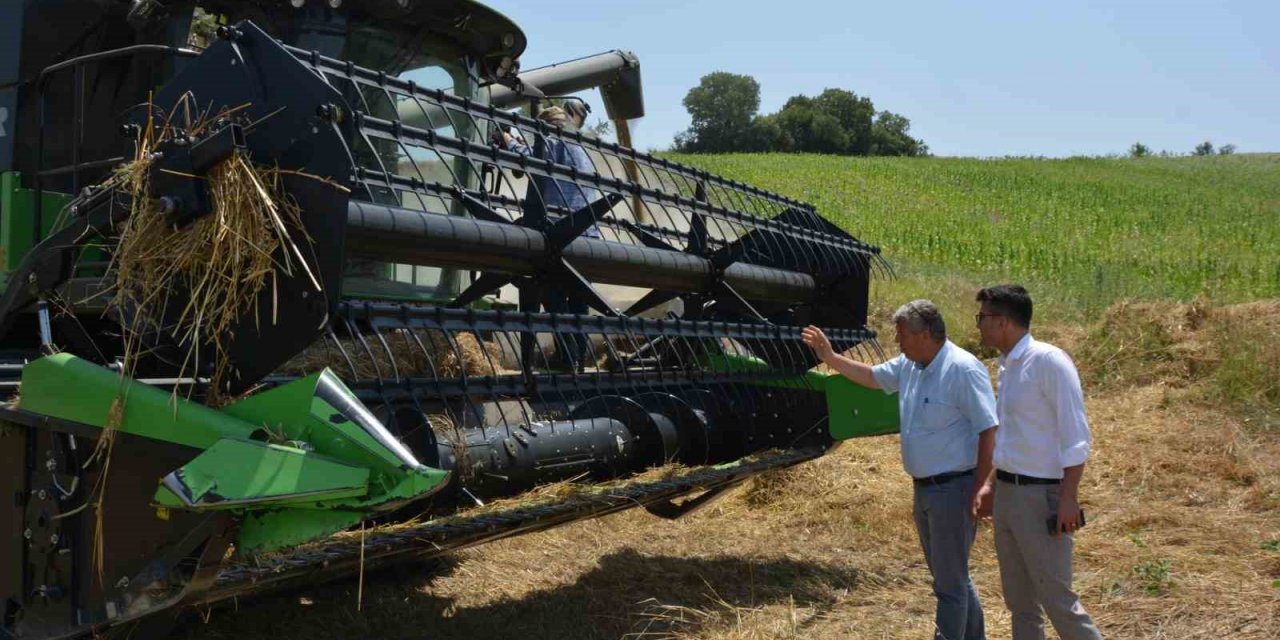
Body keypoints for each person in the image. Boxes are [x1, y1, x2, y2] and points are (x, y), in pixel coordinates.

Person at [803, 300, 997, 640]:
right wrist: (830, 358)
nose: (898, 341)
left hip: (954, 489)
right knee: (952, 577)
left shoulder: (963, 370)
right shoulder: (910, 366)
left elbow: (989, 429)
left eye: (902, 335)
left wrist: (983, 486)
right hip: (924, 488)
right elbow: (872, 377)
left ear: (924, 335)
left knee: (949, 586)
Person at [972, 284, 1103, 640]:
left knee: (1058, 599)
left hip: (1041, 497)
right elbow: (1015, 439)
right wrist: (990, 484)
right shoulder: (1008, 366)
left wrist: (1067, 499)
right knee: (1020, 602)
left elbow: (1076, 436)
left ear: (1002, 322)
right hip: (1010, 495)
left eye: (982, 317)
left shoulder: (1048, 361)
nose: (978, 325)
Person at [503, 102, 601, 369]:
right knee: (579, 301)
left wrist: (508, 140)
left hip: (560, 235)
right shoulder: (580, 150)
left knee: (552, 295)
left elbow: (529, 158)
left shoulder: (551, 142)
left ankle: (566, 359)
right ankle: (579, 359)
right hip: (589, 236)